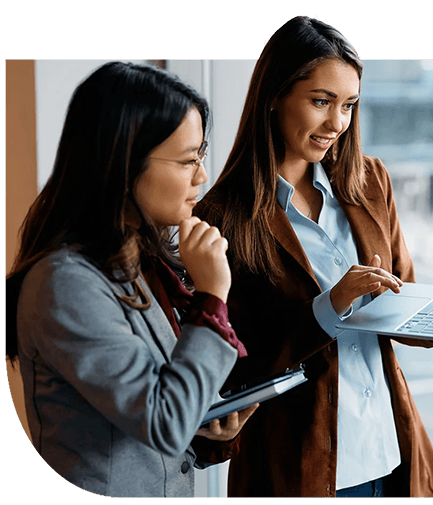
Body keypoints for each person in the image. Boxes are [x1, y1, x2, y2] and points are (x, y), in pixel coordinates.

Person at [194, 16, 433, 498]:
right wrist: (330, 306)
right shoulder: (222, 216)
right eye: (321, 102)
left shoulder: (370, 183)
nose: (337, 123)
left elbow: (403, 296)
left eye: (348, 105)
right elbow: (234, 365)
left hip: (391, 452)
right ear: (275, 95)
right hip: (299, 469)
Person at [4, 61, 258, 498]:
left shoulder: (134, 261)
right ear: (123, 165)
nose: (201, 176)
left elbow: (154, 410)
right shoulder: (65, 284)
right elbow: (163, 421)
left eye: (200, 156)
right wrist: (214, 292)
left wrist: (204, 424)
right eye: (186, 160)